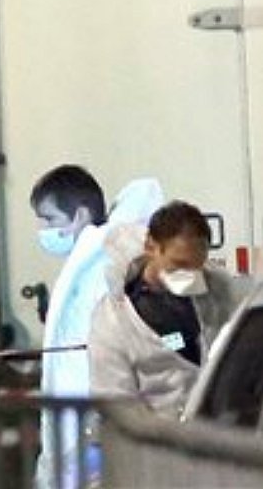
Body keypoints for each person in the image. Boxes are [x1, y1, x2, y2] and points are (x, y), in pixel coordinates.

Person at [29, 165, 164, 488]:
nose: (44, 230)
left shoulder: (103, 267)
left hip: (95, 431)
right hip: (83, 432)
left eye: (50, 220)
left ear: (78, 216)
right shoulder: (89, 265)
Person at [88, 200, 244, 418]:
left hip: (217, 434)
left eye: (196, 266)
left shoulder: (219, 292)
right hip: (155, 441)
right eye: (179, 264)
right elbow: (116, 404)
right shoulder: (114, 319)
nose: (190, 275)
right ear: (151, 247)